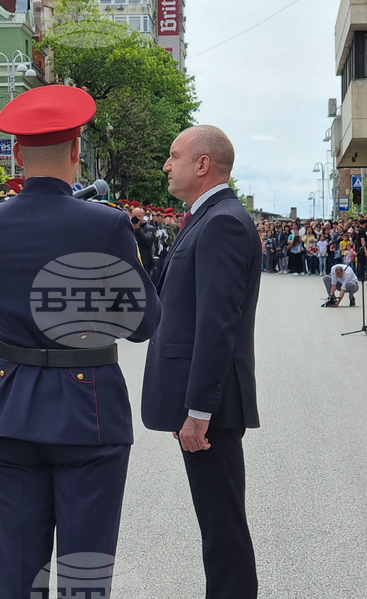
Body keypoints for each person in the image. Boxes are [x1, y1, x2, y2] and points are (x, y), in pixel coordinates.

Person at [0, 85, 161, 599]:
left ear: (15, 154)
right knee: (85, 566)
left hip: (9, 402)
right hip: (86, 404)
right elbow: (145, 323)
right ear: (77, 151)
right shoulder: (107, 224)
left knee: (18, 561)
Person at [141, 125, 261, 599]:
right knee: (217, 521)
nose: (166, 165)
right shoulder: (204, 217)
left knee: (222, 524)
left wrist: (198, 411)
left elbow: (217, 325)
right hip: (202, 401)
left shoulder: (223, 221)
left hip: (212, 405)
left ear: (203, 164)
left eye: (174, 156)